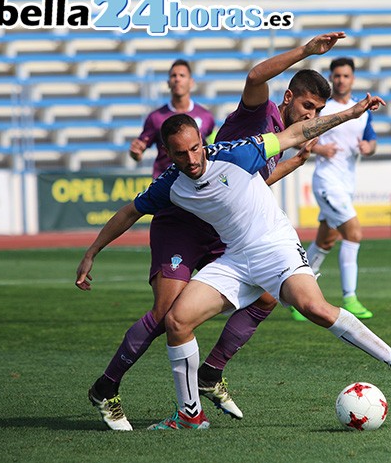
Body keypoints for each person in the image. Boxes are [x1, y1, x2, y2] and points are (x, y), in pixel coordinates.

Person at [75, 96, 391, 432]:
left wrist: (350, 113)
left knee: (314, 307)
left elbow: (296, 132)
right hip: (234, 259)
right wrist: (92, 252)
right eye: (181, 154)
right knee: (176, 321)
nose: (192, 159)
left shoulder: (237, 153)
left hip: (276, 247)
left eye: (196, 148)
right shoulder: (169, 185)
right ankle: (189, 415)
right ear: (168, 154)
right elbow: (128, 212)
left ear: (203, 141)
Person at [85, 34, 342, 431]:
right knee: (167, 314)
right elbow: (256, 75)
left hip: (222, 228)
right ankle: (107, 387)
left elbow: (257, 180)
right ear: (288, 98)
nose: (312, 116)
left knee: (270, 294)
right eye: (308, 106)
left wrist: (296, 161)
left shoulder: (276, 137)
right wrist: (306, 51)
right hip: (182, 225)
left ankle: (209, 373)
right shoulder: (258, 115)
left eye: (319, 110)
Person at [301, 57, 377, 322]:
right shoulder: (324, 108)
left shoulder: (362, 111)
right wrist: (320, 148)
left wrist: (369, 148)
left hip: (346, 185)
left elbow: (371, 140)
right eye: (337, 76)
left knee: (325, 240)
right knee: (353, 232)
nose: (341, 80)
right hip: (326, 182)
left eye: (345, 76)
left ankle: (293, 296)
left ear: (352, 78)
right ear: (331, 78)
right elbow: (302, 139)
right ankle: (350, 297)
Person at [129, 59, 215, 174]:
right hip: (165, 183)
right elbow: (138, 152)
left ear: (191, 82)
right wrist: (135, 153)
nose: (177, 79)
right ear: (168, 82)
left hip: (194, 183)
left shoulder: (206, 116)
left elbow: (211, 148)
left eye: (182, 75)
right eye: (173, 76)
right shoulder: (155, 117)